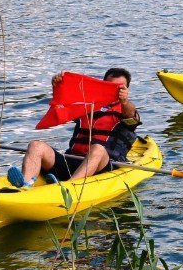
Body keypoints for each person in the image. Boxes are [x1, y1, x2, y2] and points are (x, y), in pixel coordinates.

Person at [7, 68, 140, 188]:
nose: (115, 90)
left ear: (126, 90)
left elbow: (131, 115)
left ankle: (69, 187)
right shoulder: (87, 106)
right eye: (111, 86)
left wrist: (124, 102)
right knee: (36, 145)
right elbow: (62, 106)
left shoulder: (126, 110)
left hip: (103, 166)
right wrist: (58, 86)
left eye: (120, 87)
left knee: (98, 148)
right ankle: (25, 184)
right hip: (72, 159)